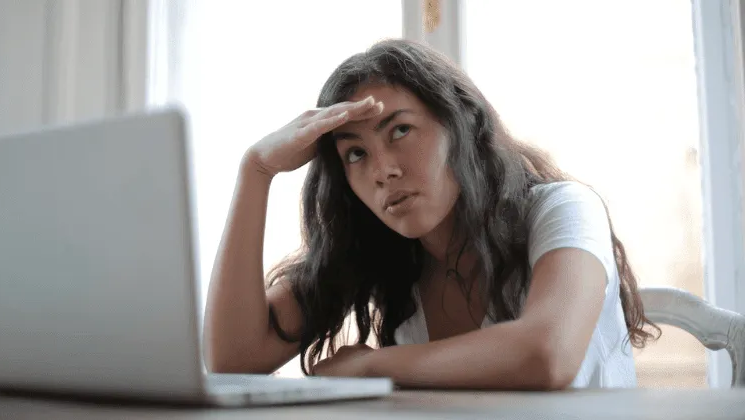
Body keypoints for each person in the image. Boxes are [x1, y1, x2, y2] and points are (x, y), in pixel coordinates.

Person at [204, 38, 660, 390]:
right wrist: (256, 170)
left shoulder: (563, 209)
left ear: (461, 124)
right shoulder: (380, 250)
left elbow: (548, 353)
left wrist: (371, 365)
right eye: (356, 154)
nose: (384, 170)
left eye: (400, 129)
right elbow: (233, 359)